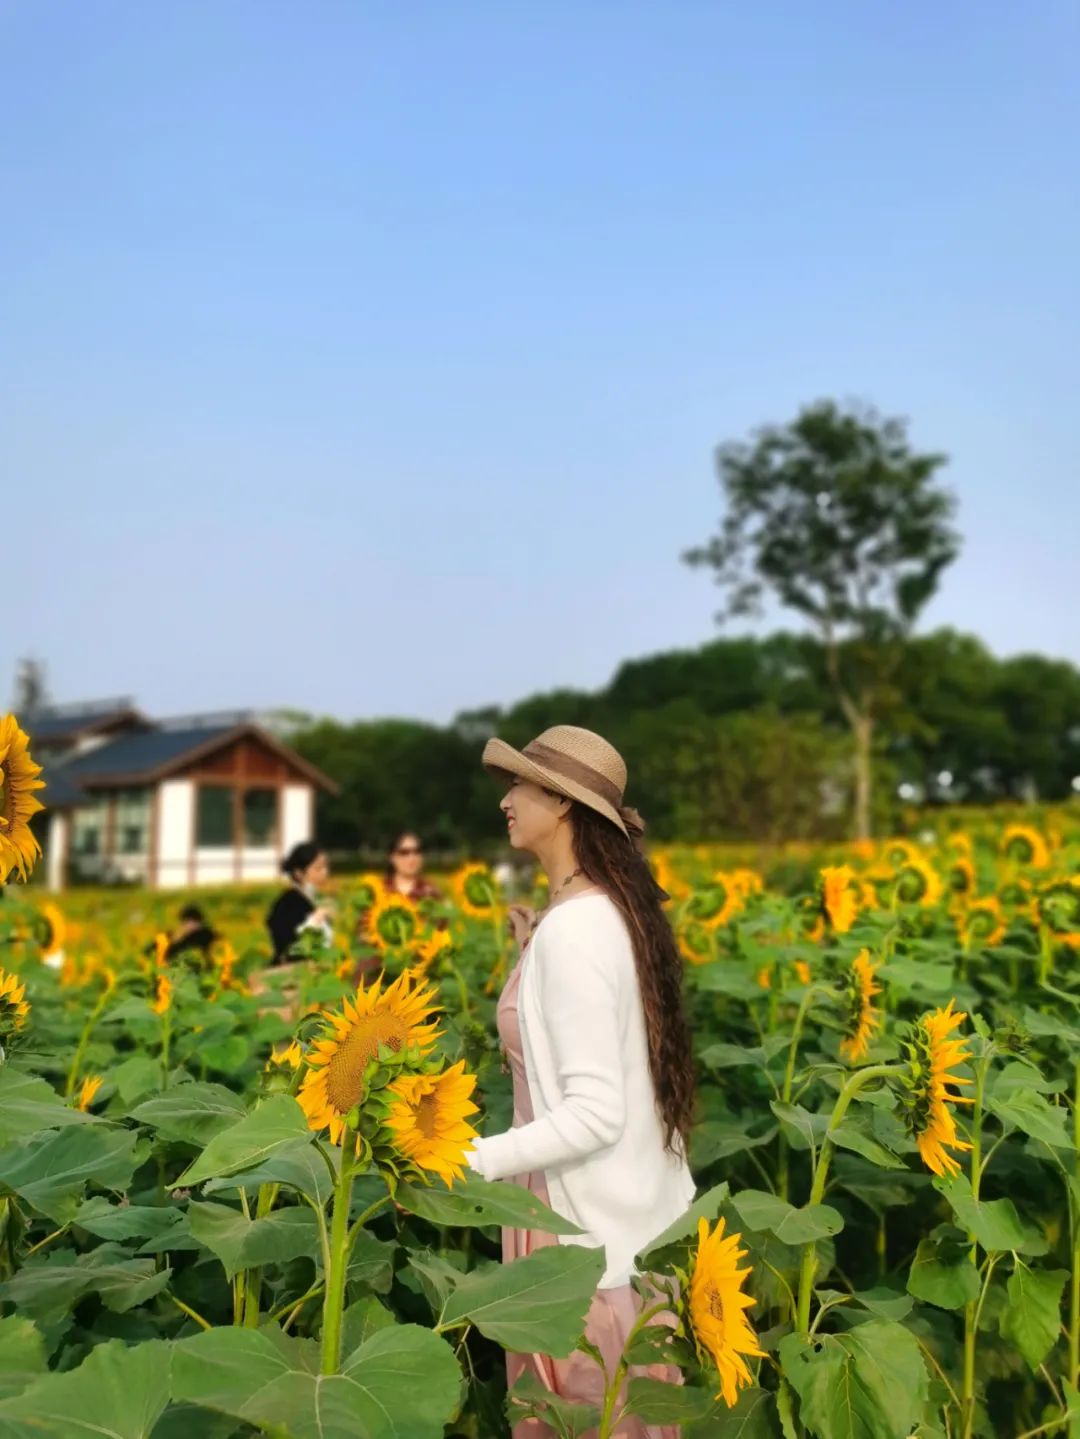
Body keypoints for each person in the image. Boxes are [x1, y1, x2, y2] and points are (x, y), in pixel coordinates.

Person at [465, 725, 697, 1439]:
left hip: (577, 1244)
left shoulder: (575, 931)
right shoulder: (601, 914)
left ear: (562, 802)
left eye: (519, 784)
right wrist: (532, 953)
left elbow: (595, 1111)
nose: (505, 800)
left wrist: (468, 1160)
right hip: (620, 1230)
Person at [266, 842, 333, 965]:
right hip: (295, 972)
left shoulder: (316, 900)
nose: (325, 872)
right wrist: (314, 920)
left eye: (326, 867)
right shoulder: (286, 904)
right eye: (318, 868)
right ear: (299, 873)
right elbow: (287, 946)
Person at [149, 903, 219, 965]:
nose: (191, 925)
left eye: (194, 921)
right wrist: (177, 939)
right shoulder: (171, 936)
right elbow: (150, 950)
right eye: (188, 922)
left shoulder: (205, 934)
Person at [384, 831, 443, 901]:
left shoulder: (431, 893)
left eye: (417, 851)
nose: (412, 858)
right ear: (392, 857)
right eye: (404, 852)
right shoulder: (379, 890)